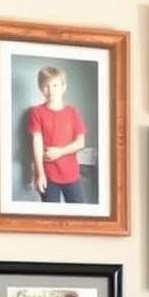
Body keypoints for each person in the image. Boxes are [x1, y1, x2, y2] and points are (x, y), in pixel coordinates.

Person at [28, 66, 88, 203]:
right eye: (46, 86)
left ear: (63, 87)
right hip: (48, 175)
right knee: (50, 219)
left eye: (55, 85)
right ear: (40, 88)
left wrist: (59, 152)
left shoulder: (73, 112)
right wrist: (40, 174)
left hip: (71, 174)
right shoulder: (37, 112)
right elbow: (37, 143)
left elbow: (81, 142)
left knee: (79, 215)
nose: (51, 90)